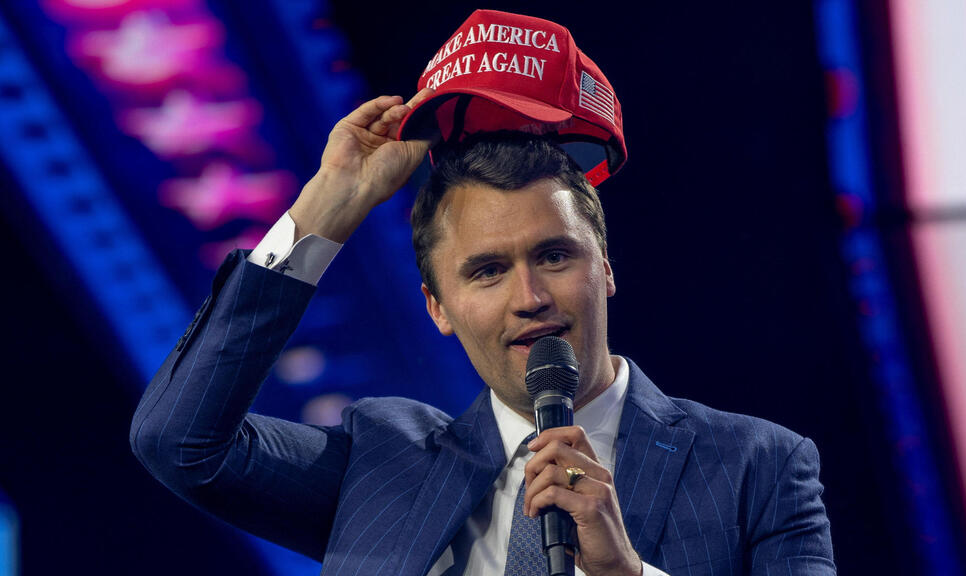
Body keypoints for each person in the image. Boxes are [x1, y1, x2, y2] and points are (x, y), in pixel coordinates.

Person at [131, 10, 836, 576]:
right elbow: (177, 442)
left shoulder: (759, 466)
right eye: (486, 271)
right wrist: (327, 209)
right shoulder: (380, 463)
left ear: (607, 268)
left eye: (554, 255)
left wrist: (625, 574)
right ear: (437, 306)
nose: (529, 296)